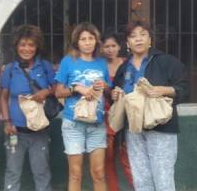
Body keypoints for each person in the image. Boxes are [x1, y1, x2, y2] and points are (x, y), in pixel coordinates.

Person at [111, 21, 189, 191]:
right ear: (127, 43)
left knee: (163, 176)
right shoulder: (124, 68)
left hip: (161, 127)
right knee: (140, 178)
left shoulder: (167, 61)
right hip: (133, 129)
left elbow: (185, 88)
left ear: (150, 39)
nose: (138, 39)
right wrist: (114, 94)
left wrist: (165, 89)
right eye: (133, 36)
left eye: (143, 34)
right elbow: (115, 93)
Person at [55, 22, 111, 191]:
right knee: (75, 173)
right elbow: (58, 92)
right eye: (83, 39)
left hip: (97, 123)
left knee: (99, 173)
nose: (87, 42)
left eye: (91, 38)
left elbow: (108, 90)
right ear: (77, 42)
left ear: (96, 41)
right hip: (73, 124)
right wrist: (76, 88)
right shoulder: (68, 61)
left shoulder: (101, 63)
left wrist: (105, 86)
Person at [0, 25, 54, 191]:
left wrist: (45, 92)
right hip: (16, 131)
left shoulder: (44, 66)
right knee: (12, 172)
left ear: (37, 46)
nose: (27, 49)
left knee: (41, 172)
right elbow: (3, 97)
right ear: (16, 46)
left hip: (39, 131)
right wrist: (7, 122)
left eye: (31, 44)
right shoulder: (9, 69)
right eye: (22, 44)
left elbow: (57, 88)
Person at [100, 32, 133, 191]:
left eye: (113, 46)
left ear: (119, 47)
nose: (110, 49)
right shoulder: (98, 65)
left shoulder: (127, 64)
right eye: (106, 46)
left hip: (125, 116)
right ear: (101, 48)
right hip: (105, 117)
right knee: (109, 158)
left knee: (127, 157)